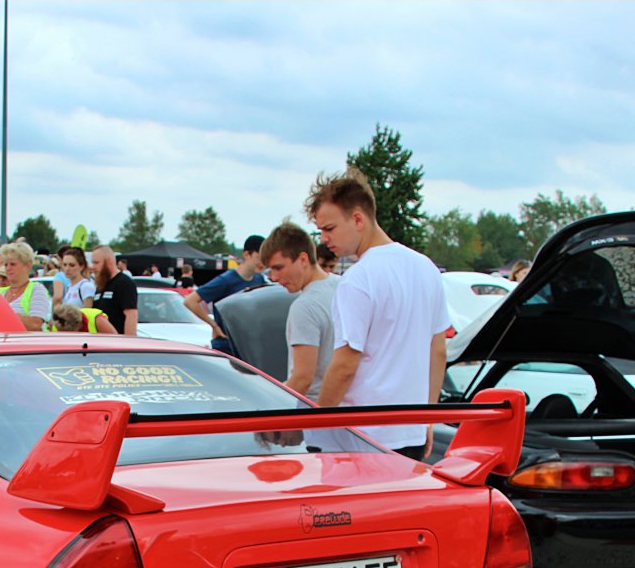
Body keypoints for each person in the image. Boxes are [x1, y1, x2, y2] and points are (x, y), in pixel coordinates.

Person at [305, 169, 448, 460]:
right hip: (411, 431)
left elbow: (345, 363)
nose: (323, 239)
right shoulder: (426, 268)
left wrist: (318, 425)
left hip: (362, 434)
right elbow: (438, 352)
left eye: (329, 228)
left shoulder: (358, 278)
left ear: (358, 219)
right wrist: (429, 418)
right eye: (320, 230)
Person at [261, 222, 337, 402]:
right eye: (270, 270)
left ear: (303, 259)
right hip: (351, 409)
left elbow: (302, 379)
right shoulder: (344, 286)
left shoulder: (304, 307)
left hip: (313, 409)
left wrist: (268, 405)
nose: (274, 277)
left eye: (279, 267)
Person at [182, 233, 270, 354]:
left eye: (265, 259)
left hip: (247, 344)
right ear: (246, 254)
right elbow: (190, 301)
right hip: (226, 344)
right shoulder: (226, 280)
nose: (262, 263)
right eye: (258, 257)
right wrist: (214, 326)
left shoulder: (259, 279)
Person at [0, 241, 53, 330]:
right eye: (6, 265)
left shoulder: (37, 290)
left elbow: (35, 324)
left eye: (13, 264)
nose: (8, 268)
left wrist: (5, 314)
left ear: (28, 265)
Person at [91, 246, 138, 335]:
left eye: (96, 263)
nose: (93, 267)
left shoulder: (124, 283)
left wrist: (129, 343)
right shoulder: (101, 285)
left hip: (117, 343)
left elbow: (131, 315)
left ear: (109, 261)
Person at [52, 302, 119, 334]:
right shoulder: (57, 325)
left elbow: (115, 342)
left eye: (72, 331)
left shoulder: (97, 320)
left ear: (79, 324)